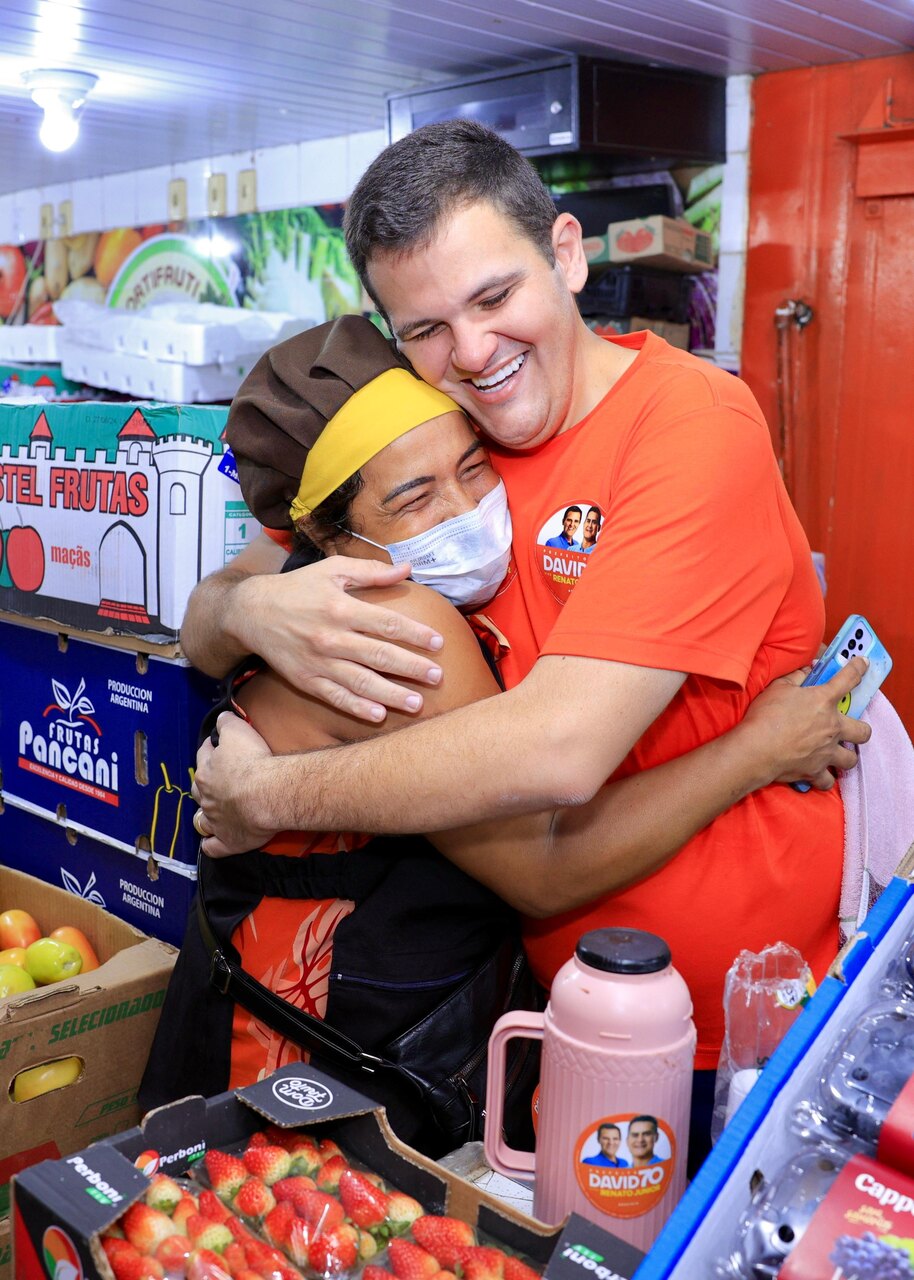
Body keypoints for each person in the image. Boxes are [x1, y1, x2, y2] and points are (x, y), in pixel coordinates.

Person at [185, 121, 869, 1158]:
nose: (468, 351)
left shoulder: (687, 428)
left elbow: (556, 752)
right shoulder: (459, 431)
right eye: (423, 327)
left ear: (565, 252)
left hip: (738, 1028)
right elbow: (239, 577)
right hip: (559, 1015)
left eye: (494, 297)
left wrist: (268, 795)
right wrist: (244, 608)